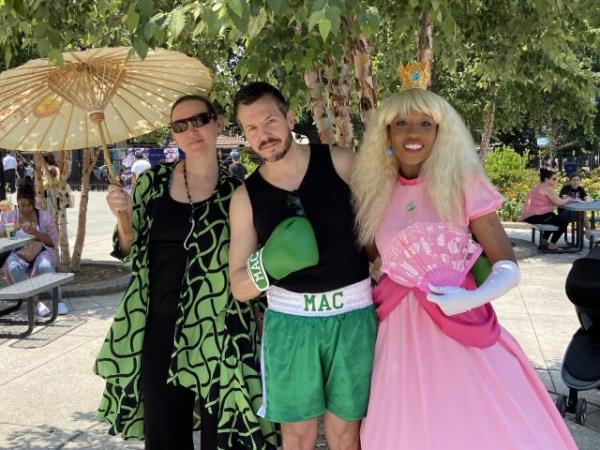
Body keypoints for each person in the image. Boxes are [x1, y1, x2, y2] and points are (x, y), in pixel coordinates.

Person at [351, 67, 577, 449]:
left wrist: (470, 298)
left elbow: (507, 265)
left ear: (440, 133)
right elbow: (377, 262)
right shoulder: (376, 192)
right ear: (386, 134)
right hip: (397, 333)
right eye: (401, 123)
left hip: (458, 324)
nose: (413, 133)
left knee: (468, 423)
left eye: (426, 123)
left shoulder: (464, 183)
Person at [94, 94, 278, 450]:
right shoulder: (152, 183)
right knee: (164, 436)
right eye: (180, 125)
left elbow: (253, 263)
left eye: (200, 119)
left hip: (221, 329)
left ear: (217, 123)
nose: (191, 130)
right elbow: (132, 255)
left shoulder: (239, 192)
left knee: (222, 436)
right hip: (158, 325)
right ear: (173, 135)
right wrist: (124, 220)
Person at [229, 82, 376, 450]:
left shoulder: (342, 161)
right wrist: (269, 263)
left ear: (289, 117)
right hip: (291, 324)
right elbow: (240, 287)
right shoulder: (246, 198)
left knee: (347, 432)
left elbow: (382, 232)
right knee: (296, 436)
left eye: (269, 121)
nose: (263, 135)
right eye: (251, 128)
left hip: (353, 316)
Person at [2, 181, 69, 316]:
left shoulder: (43, 216)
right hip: (19, 254)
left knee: (45, 266)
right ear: (18, 203)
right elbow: (1, 234)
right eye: (22, 205)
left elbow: (53, 241)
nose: (26, 208)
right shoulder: (10, 216)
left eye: (29, 205)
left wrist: (35, 233)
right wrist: (8, 232)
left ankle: (59, 300)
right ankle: (36, 302)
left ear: (34, 203)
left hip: (42, 252)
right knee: (13, 266)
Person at [520, 168, 583, 251]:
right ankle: (552, 244)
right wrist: (569, 199)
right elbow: (559, 203)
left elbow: (555, 200)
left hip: (529, 216)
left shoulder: (537, 186)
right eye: (554, 179)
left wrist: (566, 199)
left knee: (554, 219)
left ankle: (544, 241)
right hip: (538, 215)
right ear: (546, 179)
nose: (555, 181)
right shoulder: (547, 188)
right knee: (563, 222)